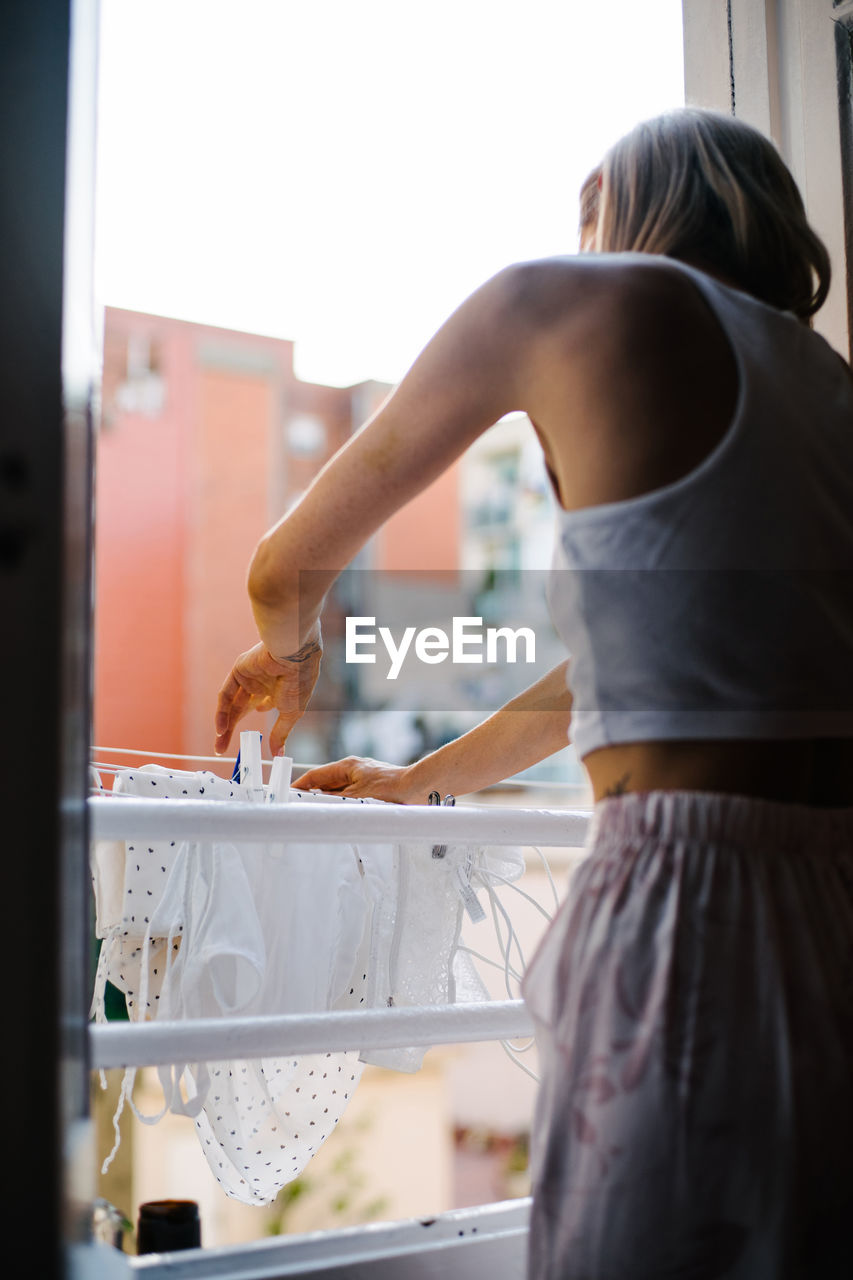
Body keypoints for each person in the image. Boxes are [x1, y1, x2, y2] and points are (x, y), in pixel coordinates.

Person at [214, 108, 853, 1277]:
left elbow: (281, 568)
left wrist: (291, 647)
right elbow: (638, 673)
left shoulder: (565, 304)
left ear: (613, 200)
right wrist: (419, 780)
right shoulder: (829, 388)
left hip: (693, 905)